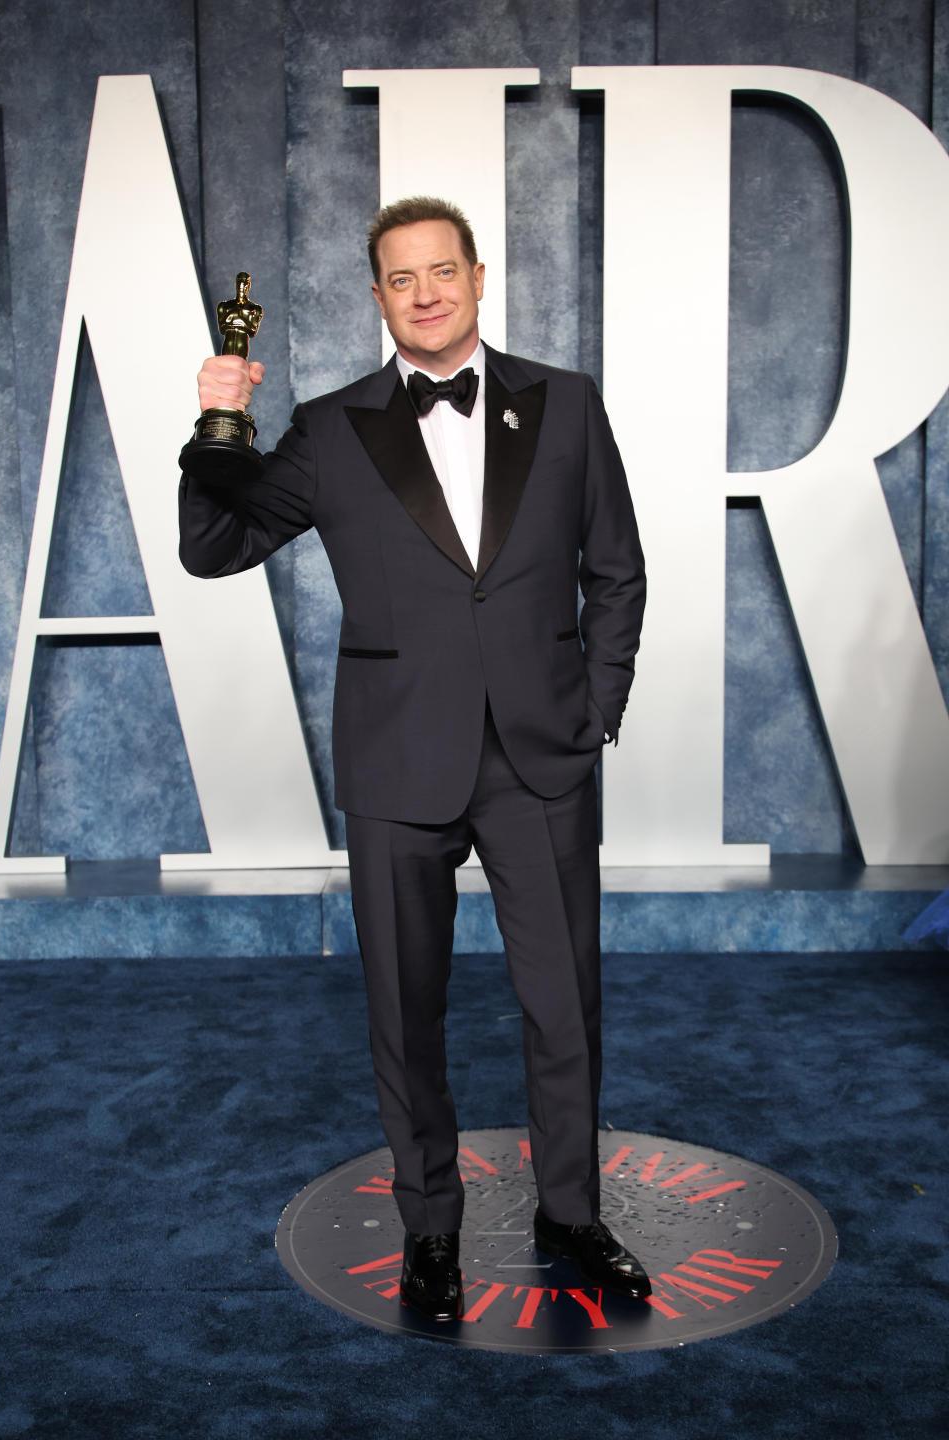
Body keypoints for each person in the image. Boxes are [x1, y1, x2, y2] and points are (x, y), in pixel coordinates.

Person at [179, 196, 648, 1322]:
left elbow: (617, 570)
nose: (427, 293)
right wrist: (213, 428)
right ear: (378, 296)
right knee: (406, 1007)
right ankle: (430, 1229)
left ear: (479, 280)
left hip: (540, 754)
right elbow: (214, 547)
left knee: (562, 1002)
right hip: (396, 759)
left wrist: (594, 713)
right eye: (403, 278)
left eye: (445, 271)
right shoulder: (335, 427)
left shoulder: (568, 404)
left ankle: (570, 1213)